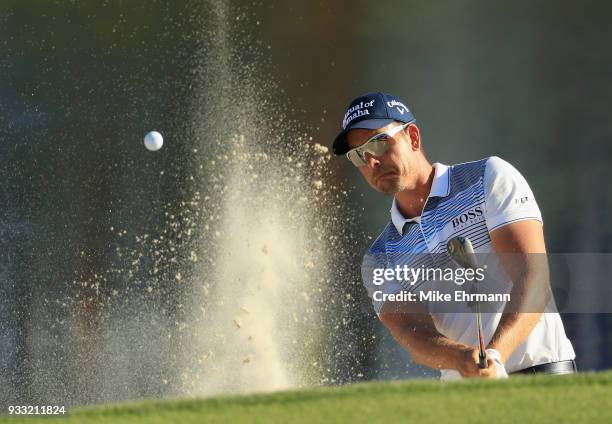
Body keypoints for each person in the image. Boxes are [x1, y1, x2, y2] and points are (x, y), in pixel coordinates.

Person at [332, 92, 576, 379]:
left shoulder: (488, 178)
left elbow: (532, 276)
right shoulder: (379, 258)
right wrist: (460, 359)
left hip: (542, 375)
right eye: (358, 154)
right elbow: (413, 333)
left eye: (378, 142)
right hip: (466, 392)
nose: (371, 161)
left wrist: (496, 356)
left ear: (412, 137)